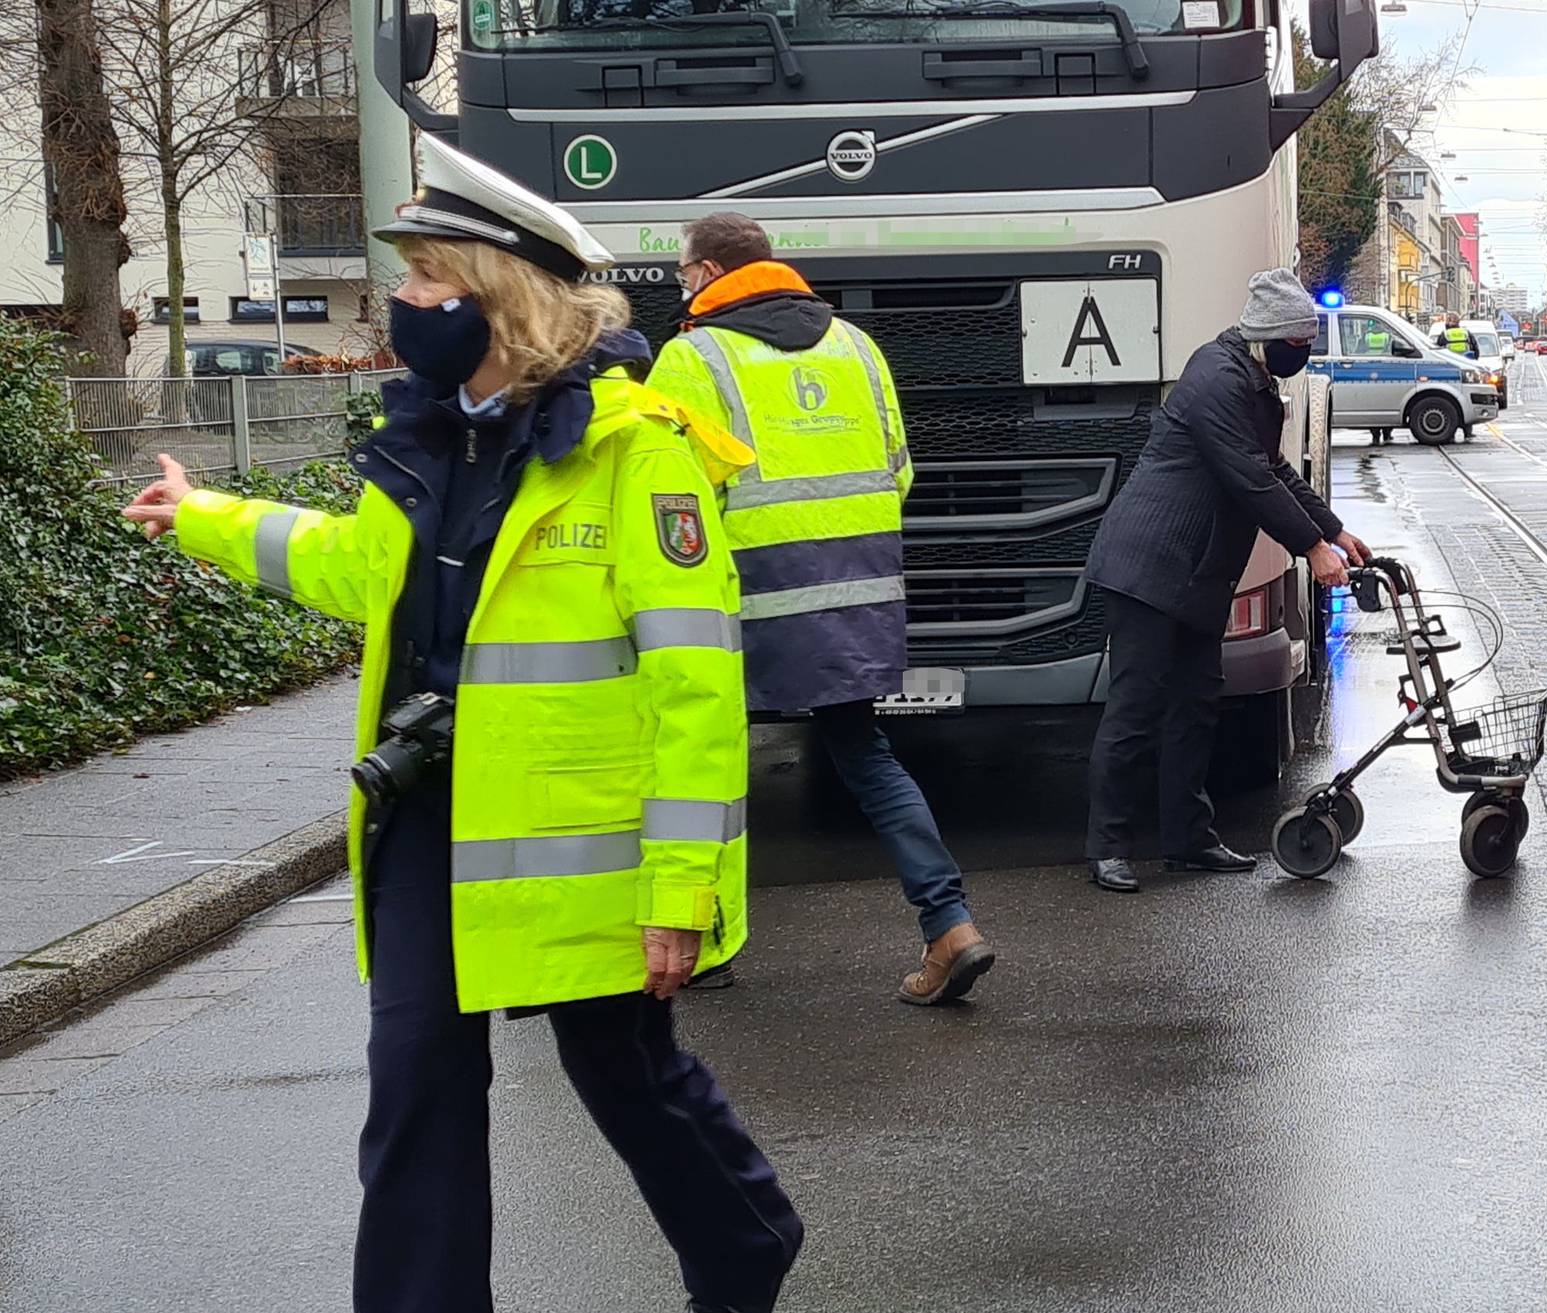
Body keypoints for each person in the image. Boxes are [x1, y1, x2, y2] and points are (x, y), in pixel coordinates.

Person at [121, 136, 802, 1313]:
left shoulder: (639, 456)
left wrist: (681, 887)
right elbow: (352, 565)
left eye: (429, 282)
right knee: (417, 1083)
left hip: (588, 845)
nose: (405, 306)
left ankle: (745, 1240)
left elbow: (696, 689)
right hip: (429, 819)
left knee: (622, 1074)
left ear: (500, 300)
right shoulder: (432, 436)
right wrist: (206, 515)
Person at [646, 212, 995, 1007]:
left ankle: (704, 945)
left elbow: (667, 499)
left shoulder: (691, 356)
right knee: (864, 752)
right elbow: (898, 469)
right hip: (859, 588)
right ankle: (950, 924)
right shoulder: (856, 346)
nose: (681, 286)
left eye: (681, 273)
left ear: (704, 272)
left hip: (743, 594)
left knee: (708, 765)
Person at [1082, 269, 1371, 893]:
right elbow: (1249, 478)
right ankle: (1107, 846)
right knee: (1136, 709)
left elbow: (1274, 469)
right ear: (1268, 337)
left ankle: (1187, 838)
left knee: (1195, 705)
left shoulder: (1255, 382)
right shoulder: (1215, 376)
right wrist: (1310, 548)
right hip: (1149, 567)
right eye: (1299, 341)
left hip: (1196, 573)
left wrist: (1334, 529)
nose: (1305, 353)